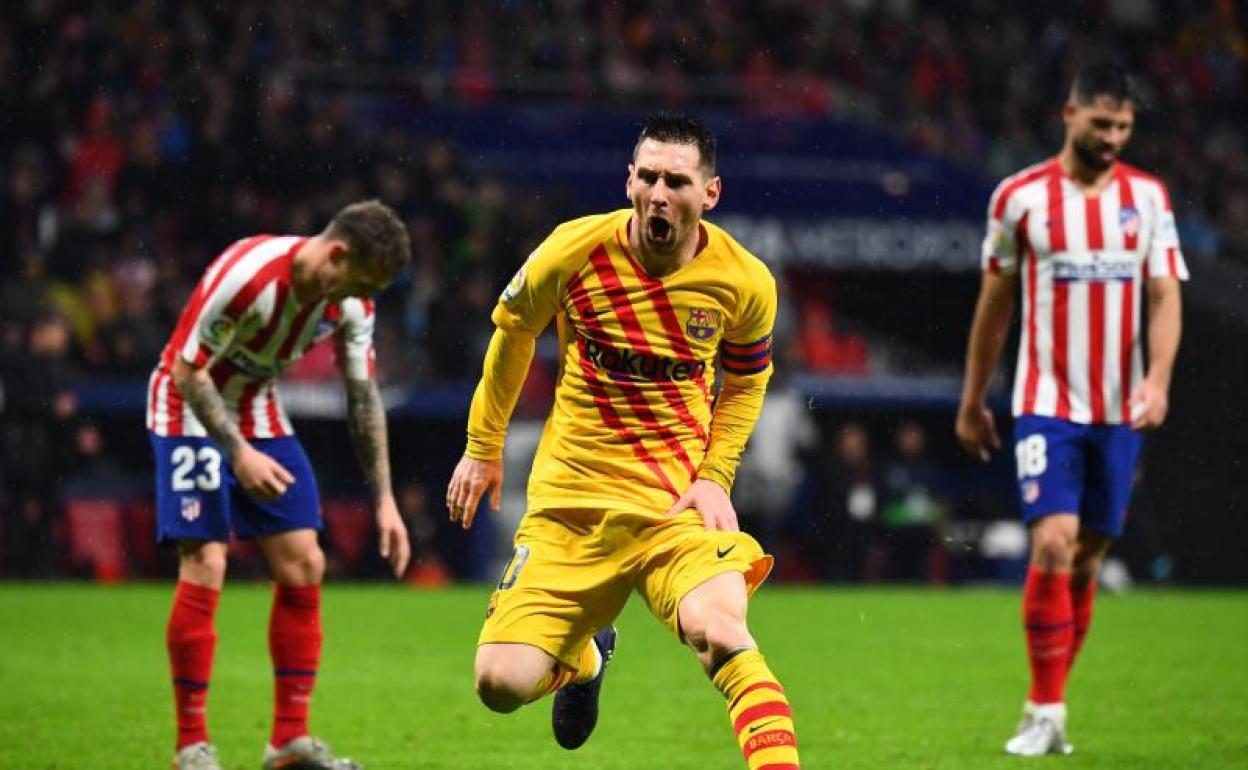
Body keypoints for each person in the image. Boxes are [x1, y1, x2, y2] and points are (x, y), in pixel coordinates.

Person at [446, 112, 801, 769]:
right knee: (498, 685)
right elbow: (514, 332)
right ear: (629, 181)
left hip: (674, 512)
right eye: (648, 176)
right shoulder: (572, 250)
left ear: (710, 193)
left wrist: (715, 477)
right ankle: (584, 659)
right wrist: (482, 445)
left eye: (677, 180)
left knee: (721, 633)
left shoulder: (745, 281)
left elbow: (749, 381)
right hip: (569, 509)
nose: (660, 192)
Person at [956, 62, 1187, 757]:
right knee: (1052, 542)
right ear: (1070, 115)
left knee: (1086, 560)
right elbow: (994, 301)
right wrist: (972, 399)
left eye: (1123, 126)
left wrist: (1160, 380)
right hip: (1046, 402)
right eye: (1101, 124)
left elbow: (1165, 295)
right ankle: (1046, 708)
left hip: (1121, 407)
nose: (1113, 137)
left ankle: (1049, 701)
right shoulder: (1020, 198)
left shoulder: (1147, 198)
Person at [147, 200, 413, 770]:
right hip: (186, 405)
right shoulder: (247, 277)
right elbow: (186, 370)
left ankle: (287, 741)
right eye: (358, 284)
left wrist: (385, 500)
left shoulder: (352, 301)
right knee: (207, 561)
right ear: (337, 255)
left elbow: (363, 397)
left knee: (304, 562)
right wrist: (237, 454)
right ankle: (191, 747)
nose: (358, 300)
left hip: (254, 407)